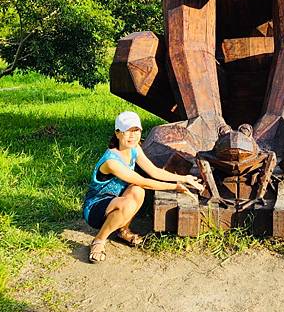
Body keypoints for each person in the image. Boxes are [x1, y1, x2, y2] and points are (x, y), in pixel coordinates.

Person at [83, 110, 203, 263]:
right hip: (96, 209)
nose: (133, 136)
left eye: (136, 131)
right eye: (128, 131)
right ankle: (99, 241)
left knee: (137, 191)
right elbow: (143, 181)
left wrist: (184, 178)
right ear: (118, 133)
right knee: (133, 195)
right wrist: (175, 187)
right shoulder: (111, 161)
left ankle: (123, 230)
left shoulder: (135, 149)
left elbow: (153, 171)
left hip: (117, 200)